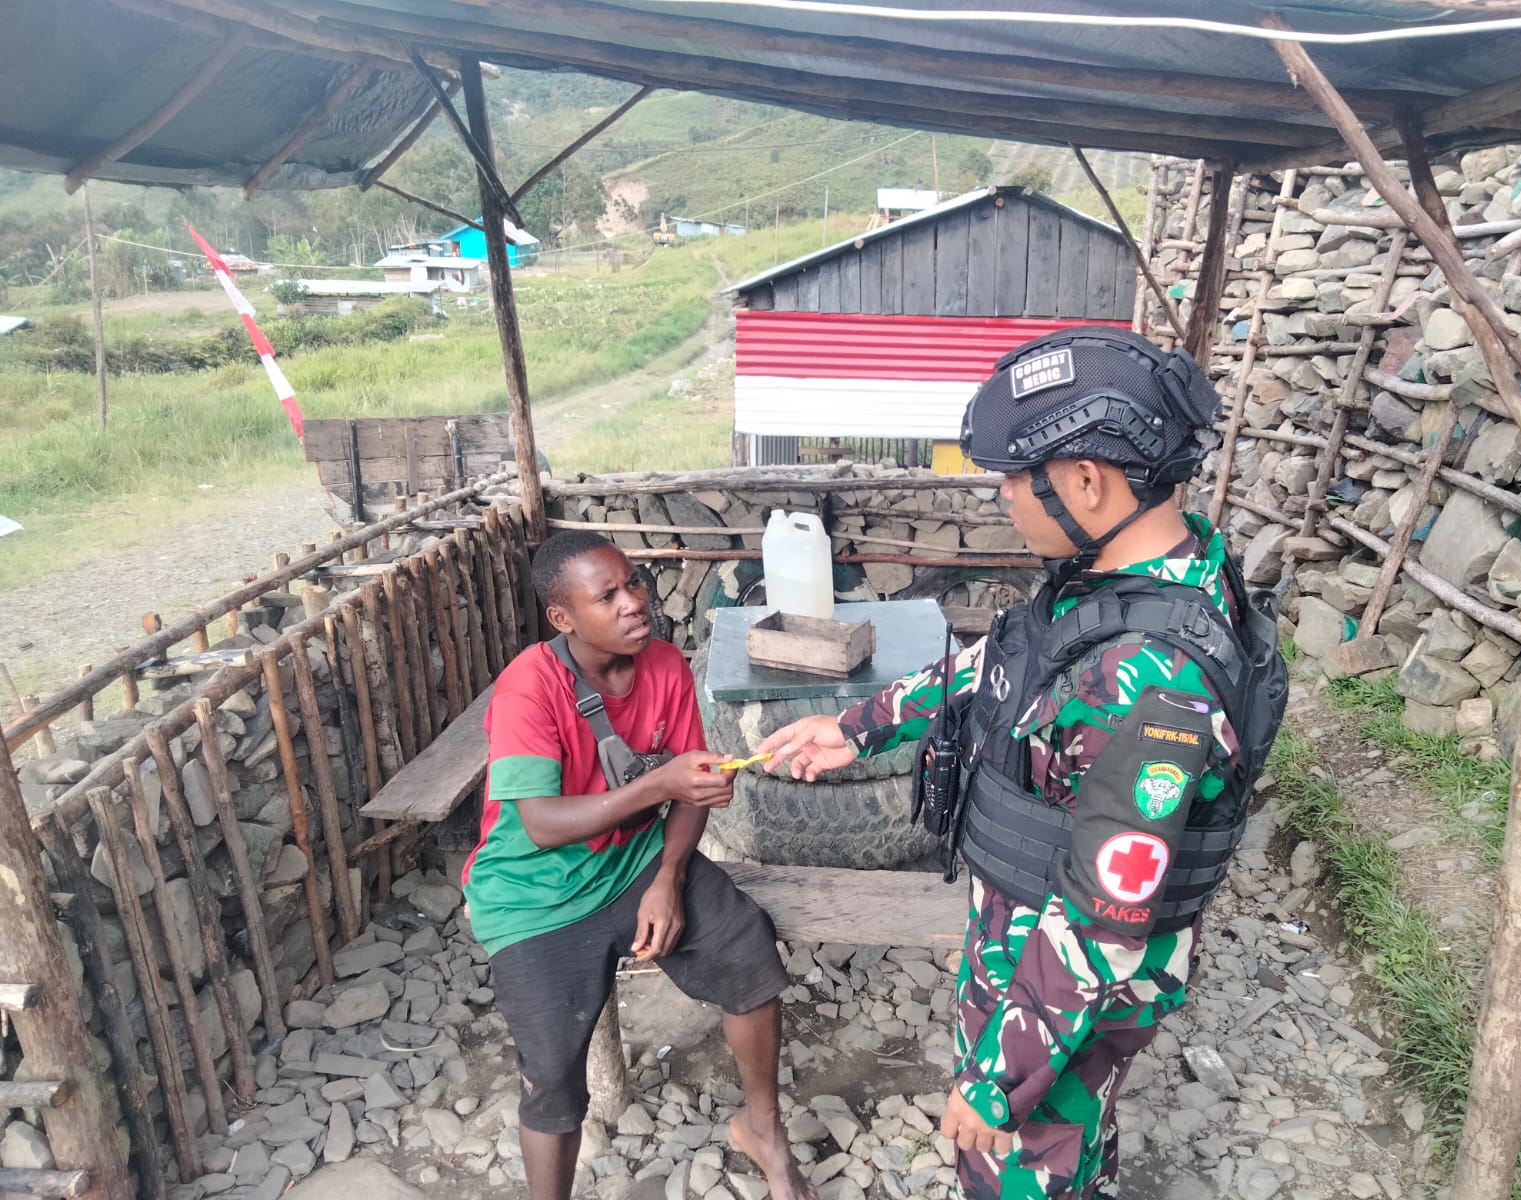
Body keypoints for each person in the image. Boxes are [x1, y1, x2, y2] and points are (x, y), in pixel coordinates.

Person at [758, 328, 1285, 1200]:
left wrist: (998, 1078)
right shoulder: (1132, 574)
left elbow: (1106, 912)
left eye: (1014, 475)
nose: (1004, 495)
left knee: (1015, 1165)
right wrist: (861, 727)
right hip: (1034, 939)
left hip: (1063, 970)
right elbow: (1011, 665)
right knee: (1072, 1140)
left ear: (1086, 480)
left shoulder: (1157, 673)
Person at [463, 530, 817, 1200]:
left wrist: (667, 878)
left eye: (634, 583)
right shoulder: (528, 689)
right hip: (532, 897)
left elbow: (692, 791)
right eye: (608, 595)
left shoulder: (663, 666)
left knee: (746, 950)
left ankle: (763, 1130)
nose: (634, 603)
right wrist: (662, 786)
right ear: (563, 618)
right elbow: (541, 825)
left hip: (632, 864)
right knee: (553, 1077)